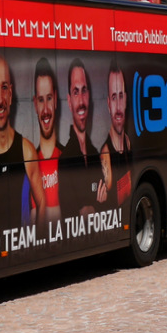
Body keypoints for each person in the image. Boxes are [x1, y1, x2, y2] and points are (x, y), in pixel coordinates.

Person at [0, 53, 45, 231]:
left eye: (3, 88)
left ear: (10, 94)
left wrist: (34, 244)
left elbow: (43, 205)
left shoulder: (27, 150)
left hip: (23, 253)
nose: (0, 99)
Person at [58, 58, 107, 216]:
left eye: (84, 90)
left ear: (89, 96)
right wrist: (96, 205)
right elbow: (76, 215)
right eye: (75, 92)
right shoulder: (65, 159)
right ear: (69, 101)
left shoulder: (94, 154)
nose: (81, 101)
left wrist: (91, 208)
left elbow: (106, 205)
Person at [29, 58, 62, 225]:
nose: (46, 110)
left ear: (56, 99)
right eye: (41, 100)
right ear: (35, 104)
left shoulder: (68, 156)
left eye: (49, 98)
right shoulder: (31, 166)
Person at [100, 60, 132, 207]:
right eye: (114, 97)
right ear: (108, 104)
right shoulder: (106, 154)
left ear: (125, 99)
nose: (118, 106)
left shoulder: (128, 142)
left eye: (120, 96)